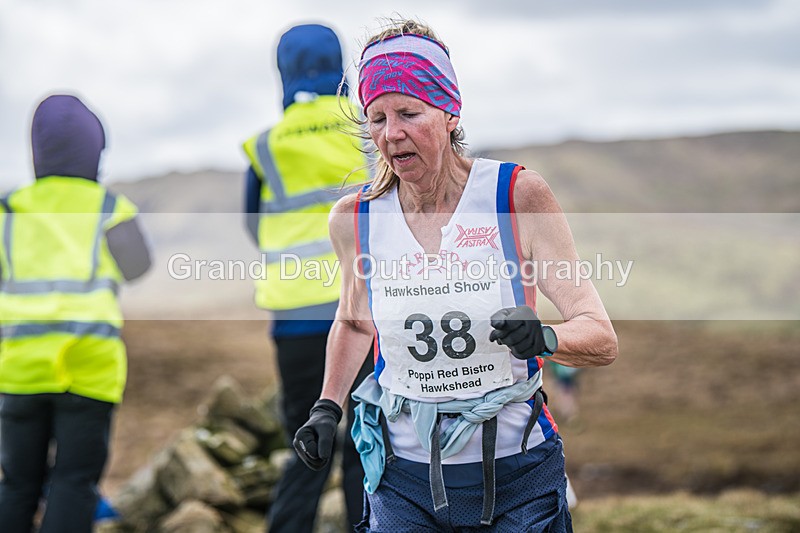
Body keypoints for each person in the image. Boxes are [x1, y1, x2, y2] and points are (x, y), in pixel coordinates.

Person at [292, 19, 618, 531]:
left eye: (408, 113)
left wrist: (544, 337)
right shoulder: (356, 219)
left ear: (449, 112)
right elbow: (355, 322)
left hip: (517, 477)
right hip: (403, 482)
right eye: (376, 118)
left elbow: (600, 336)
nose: (391, 133)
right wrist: (327, 407)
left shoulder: (515, 195)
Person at [241, 23, 372, 532]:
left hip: (294, 315)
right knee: (367, 440)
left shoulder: (265, 147)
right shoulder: (370, 131)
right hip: (364, 311)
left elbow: (255, 226)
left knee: (306, 438)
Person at [0, 94, 151, 533]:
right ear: (95, 149)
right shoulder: (109, 207)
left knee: (17, 485)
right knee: (74, 480)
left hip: (19, 370)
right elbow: (137, 267)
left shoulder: (9, 209)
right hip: (89, 369)